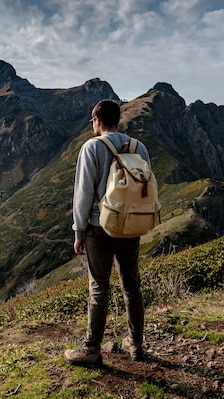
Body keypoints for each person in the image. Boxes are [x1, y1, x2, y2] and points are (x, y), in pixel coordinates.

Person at [64, 99, 149, 366]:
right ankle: (135, 343)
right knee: (132, 285)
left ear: (97, 120)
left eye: (92, 121)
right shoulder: (139, 147)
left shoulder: (92, 147)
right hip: (131, 226)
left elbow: (83, 194)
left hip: (99, 228)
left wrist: (78, 231)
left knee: (99, 286)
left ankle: (91, 349)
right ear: (118, 119)